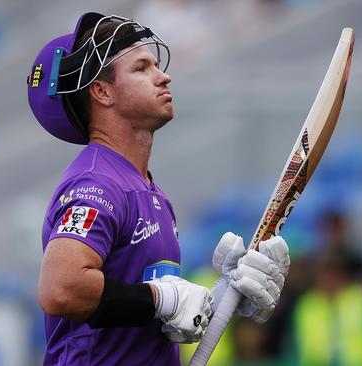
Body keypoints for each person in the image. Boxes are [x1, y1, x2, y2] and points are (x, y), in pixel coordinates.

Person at [26, 13, 290, 365]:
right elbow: (61, 288)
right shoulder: (95, 184)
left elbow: (145, 313)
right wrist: (163, 299)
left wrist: (224, 297)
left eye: (156, 65)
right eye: (141, 68)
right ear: (102, 92)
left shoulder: (149, 190)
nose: (163, 76)